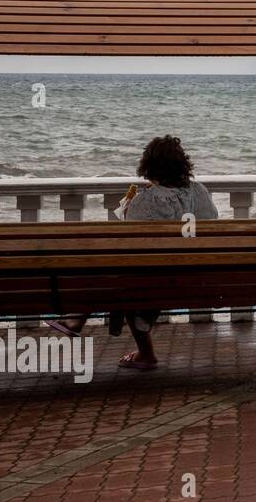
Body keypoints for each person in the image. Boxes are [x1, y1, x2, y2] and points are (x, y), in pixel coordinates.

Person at [46, 136, 220, 370]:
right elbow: (211, 220)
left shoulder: (145, 200)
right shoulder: (200, 191)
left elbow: (130, 239)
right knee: (128, 279)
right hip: (199, 277)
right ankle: (131, 339)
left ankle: (79, 317)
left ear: (148, 166)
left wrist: (130, 208)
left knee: (122, 278)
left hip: (152, 280)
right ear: (183, 164)